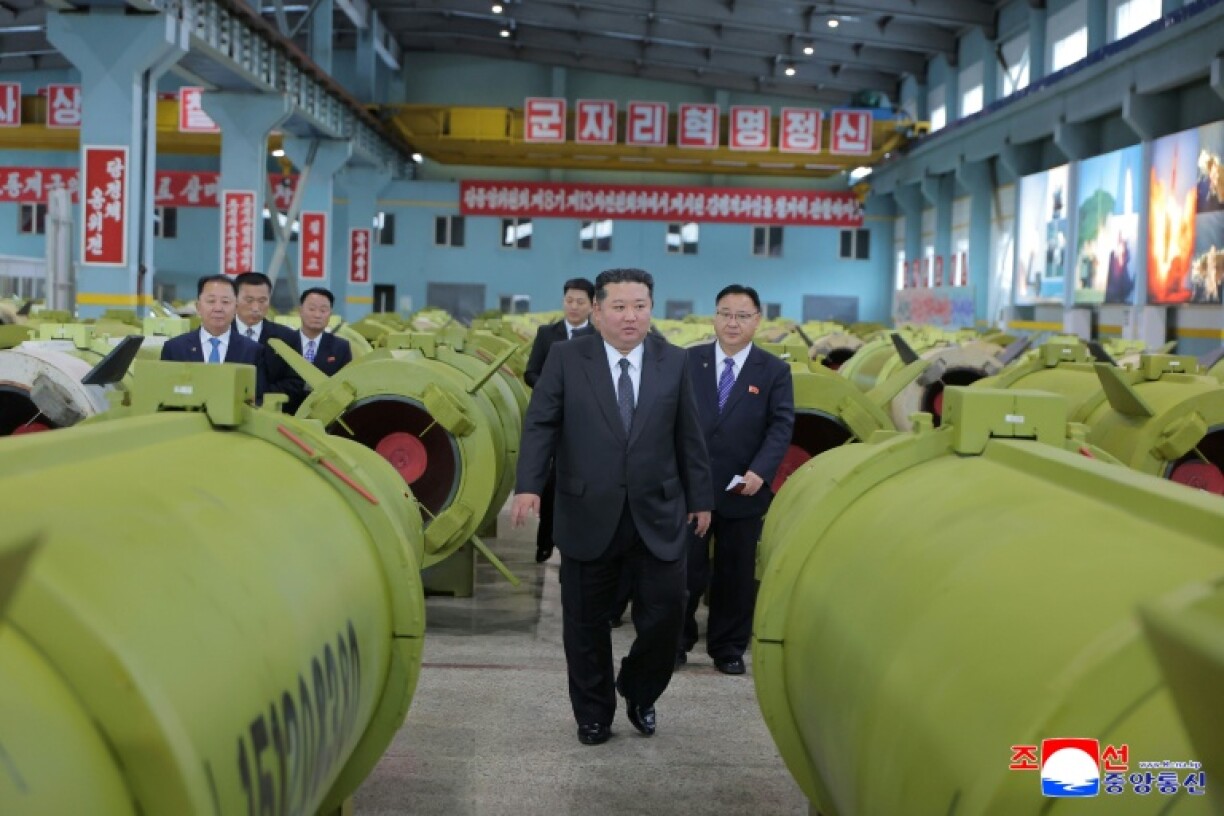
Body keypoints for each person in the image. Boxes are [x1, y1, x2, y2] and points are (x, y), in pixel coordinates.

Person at [511, 268, 712, 746]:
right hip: (587, 511)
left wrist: (701, 498)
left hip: (658, 514)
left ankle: (640, 690)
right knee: (584, 624)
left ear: (651, 309)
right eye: (619, 307)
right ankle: (594, 714)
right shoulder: (565, 358)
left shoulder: (674, 360)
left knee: (667, 618)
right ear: (597, 311)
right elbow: (541, 424)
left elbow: (689, 435)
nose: (630, 316)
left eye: (640, 305)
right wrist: (528, 485)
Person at [679, 285, 794, 675]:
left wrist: (759, 472)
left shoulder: (774, 370)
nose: (732, 322)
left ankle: (727, 647)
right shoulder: (688, 362)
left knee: (735, 574)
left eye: (742, 315)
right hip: (691, 489)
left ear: (757, 321)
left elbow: (780, 426)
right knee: (684, 571)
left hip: (743, 490)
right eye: (725, 313)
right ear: (713, 317)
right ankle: (676, 641)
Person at [523, 278, 596, 563]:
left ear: (592, 306)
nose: (574, 306)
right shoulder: (547, 334)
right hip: (554, 418)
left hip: (585, 422)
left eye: (580, 302)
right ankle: (545, 541)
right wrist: (552, 390)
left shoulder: (597, 337)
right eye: (569, 300)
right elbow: (531, 372)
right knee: (551, 483)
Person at [161, 274, 266, 399]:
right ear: (198, 307)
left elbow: (258, 398)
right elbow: (165, 395)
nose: (218, 308)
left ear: (236, 308)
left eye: (225, 302)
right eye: (211, 301)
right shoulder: (175, 348)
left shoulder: (253, 351)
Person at [233, 272, 305, 405]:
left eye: (262, 301)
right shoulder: (220, 334)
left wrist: (261, 398)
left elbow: (295, 382)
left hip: (272, 412)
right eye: (249, 301)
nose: (255, 308)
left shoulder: (287, 337)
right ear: (235, 299)